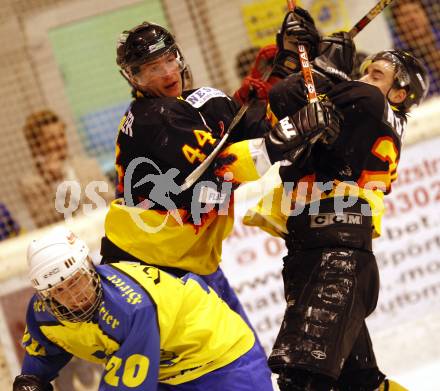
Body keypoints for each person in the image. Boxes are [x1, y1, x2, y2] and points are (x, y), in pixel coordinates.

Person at [100, 20, 340, 338]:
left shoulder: (201, 99)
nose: (168, 73)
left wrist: (288, 66)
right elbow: (224, 168)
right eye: (152, 68)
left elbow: (249, 129)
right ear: (134, 77)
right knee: (229, 368)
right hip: (148, 268)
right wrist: (292, 131)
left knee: (245, 356)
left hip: (191, 261)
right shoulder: (152, 121)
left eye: (170, 59)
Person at [245, 49, 429, 390]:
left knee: (302, 380)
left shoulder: (368, 99)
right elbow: (292, 107)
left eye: (376, 74)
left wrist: (315, 59)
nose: (364, 78)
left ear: (399, 93)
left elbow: (289, 96)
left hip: (334, 260)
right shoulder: (368, 113)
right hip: (327, 255)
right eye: (365, 72)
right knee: (361, 383)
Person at [12, 227, 274, 391]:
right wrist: (31, 380)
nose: (73, 295)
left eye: (76, 281)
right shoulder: (42, 313)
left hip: (223, 360)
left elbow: (128, 386)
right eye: (59, 290)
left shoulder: (131, 308)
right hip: (168, 375)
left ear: (89, 266)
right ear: (45, 295)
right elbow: (43, 355)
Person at [19, 109, 114, 228]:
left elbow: (112, 201)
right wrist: (57, 182)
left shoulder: (89, 166)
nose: (60, 143)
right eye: (51, 139)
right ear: (37, 145)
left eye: (61, 135)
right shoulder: (31, 184)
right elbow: (45, 224)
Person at [388, 0, 440, 96]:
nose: (412, 18)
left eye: (416, 11)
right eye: (405, 14)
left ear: (426, 14)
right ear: (397, 25)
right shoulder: (395, 59)